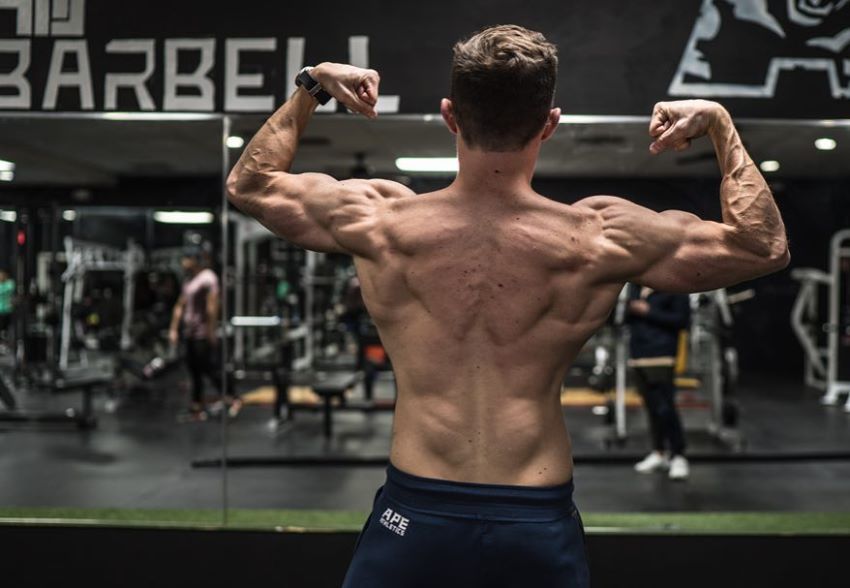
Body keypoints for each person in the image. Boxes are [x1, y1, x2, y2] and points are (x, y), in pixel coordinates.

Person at [227, 25, 789, 588]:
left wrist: (313, 86)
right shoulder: (600, 237)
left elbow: (251, 184)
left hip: (414, 513)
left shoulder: (380, 221)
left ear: (450, 116)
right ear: (550, 123)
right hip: (534, 519)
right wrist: (720, 124)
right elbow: (762, 247)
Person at [168, 245, 241, 421]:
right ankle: (196, 406)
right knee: (194, 371)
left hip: (202, 333)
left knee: (210, 369)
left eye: (186, 259)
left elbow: (212, 306)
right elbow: (180, 305)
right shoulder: (189, 280)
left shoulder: (208, 278)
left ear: (194, 260)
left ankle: (232, 398)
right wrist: (173, 329)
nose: (183, 262)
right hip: (190, 333)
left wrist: (211, 331)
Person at [627, 285, 691, 480]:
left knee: (665, 406)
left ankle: (678, 455)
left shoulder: (675, 285)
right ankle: (659, 452)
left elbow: (681, 320)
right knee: (651, 407)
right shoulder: (634, 286)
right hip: (639, 353)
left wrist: (648, 311)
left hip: (662, 353)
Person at [0, 269, 15, 352]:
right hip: (3, 310)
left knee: (5, 329)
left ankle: (4, 343)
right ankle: (3, 343)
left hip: (6, 310)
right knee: (4, 329)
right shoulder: (8, 285)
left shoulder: (7, 285)